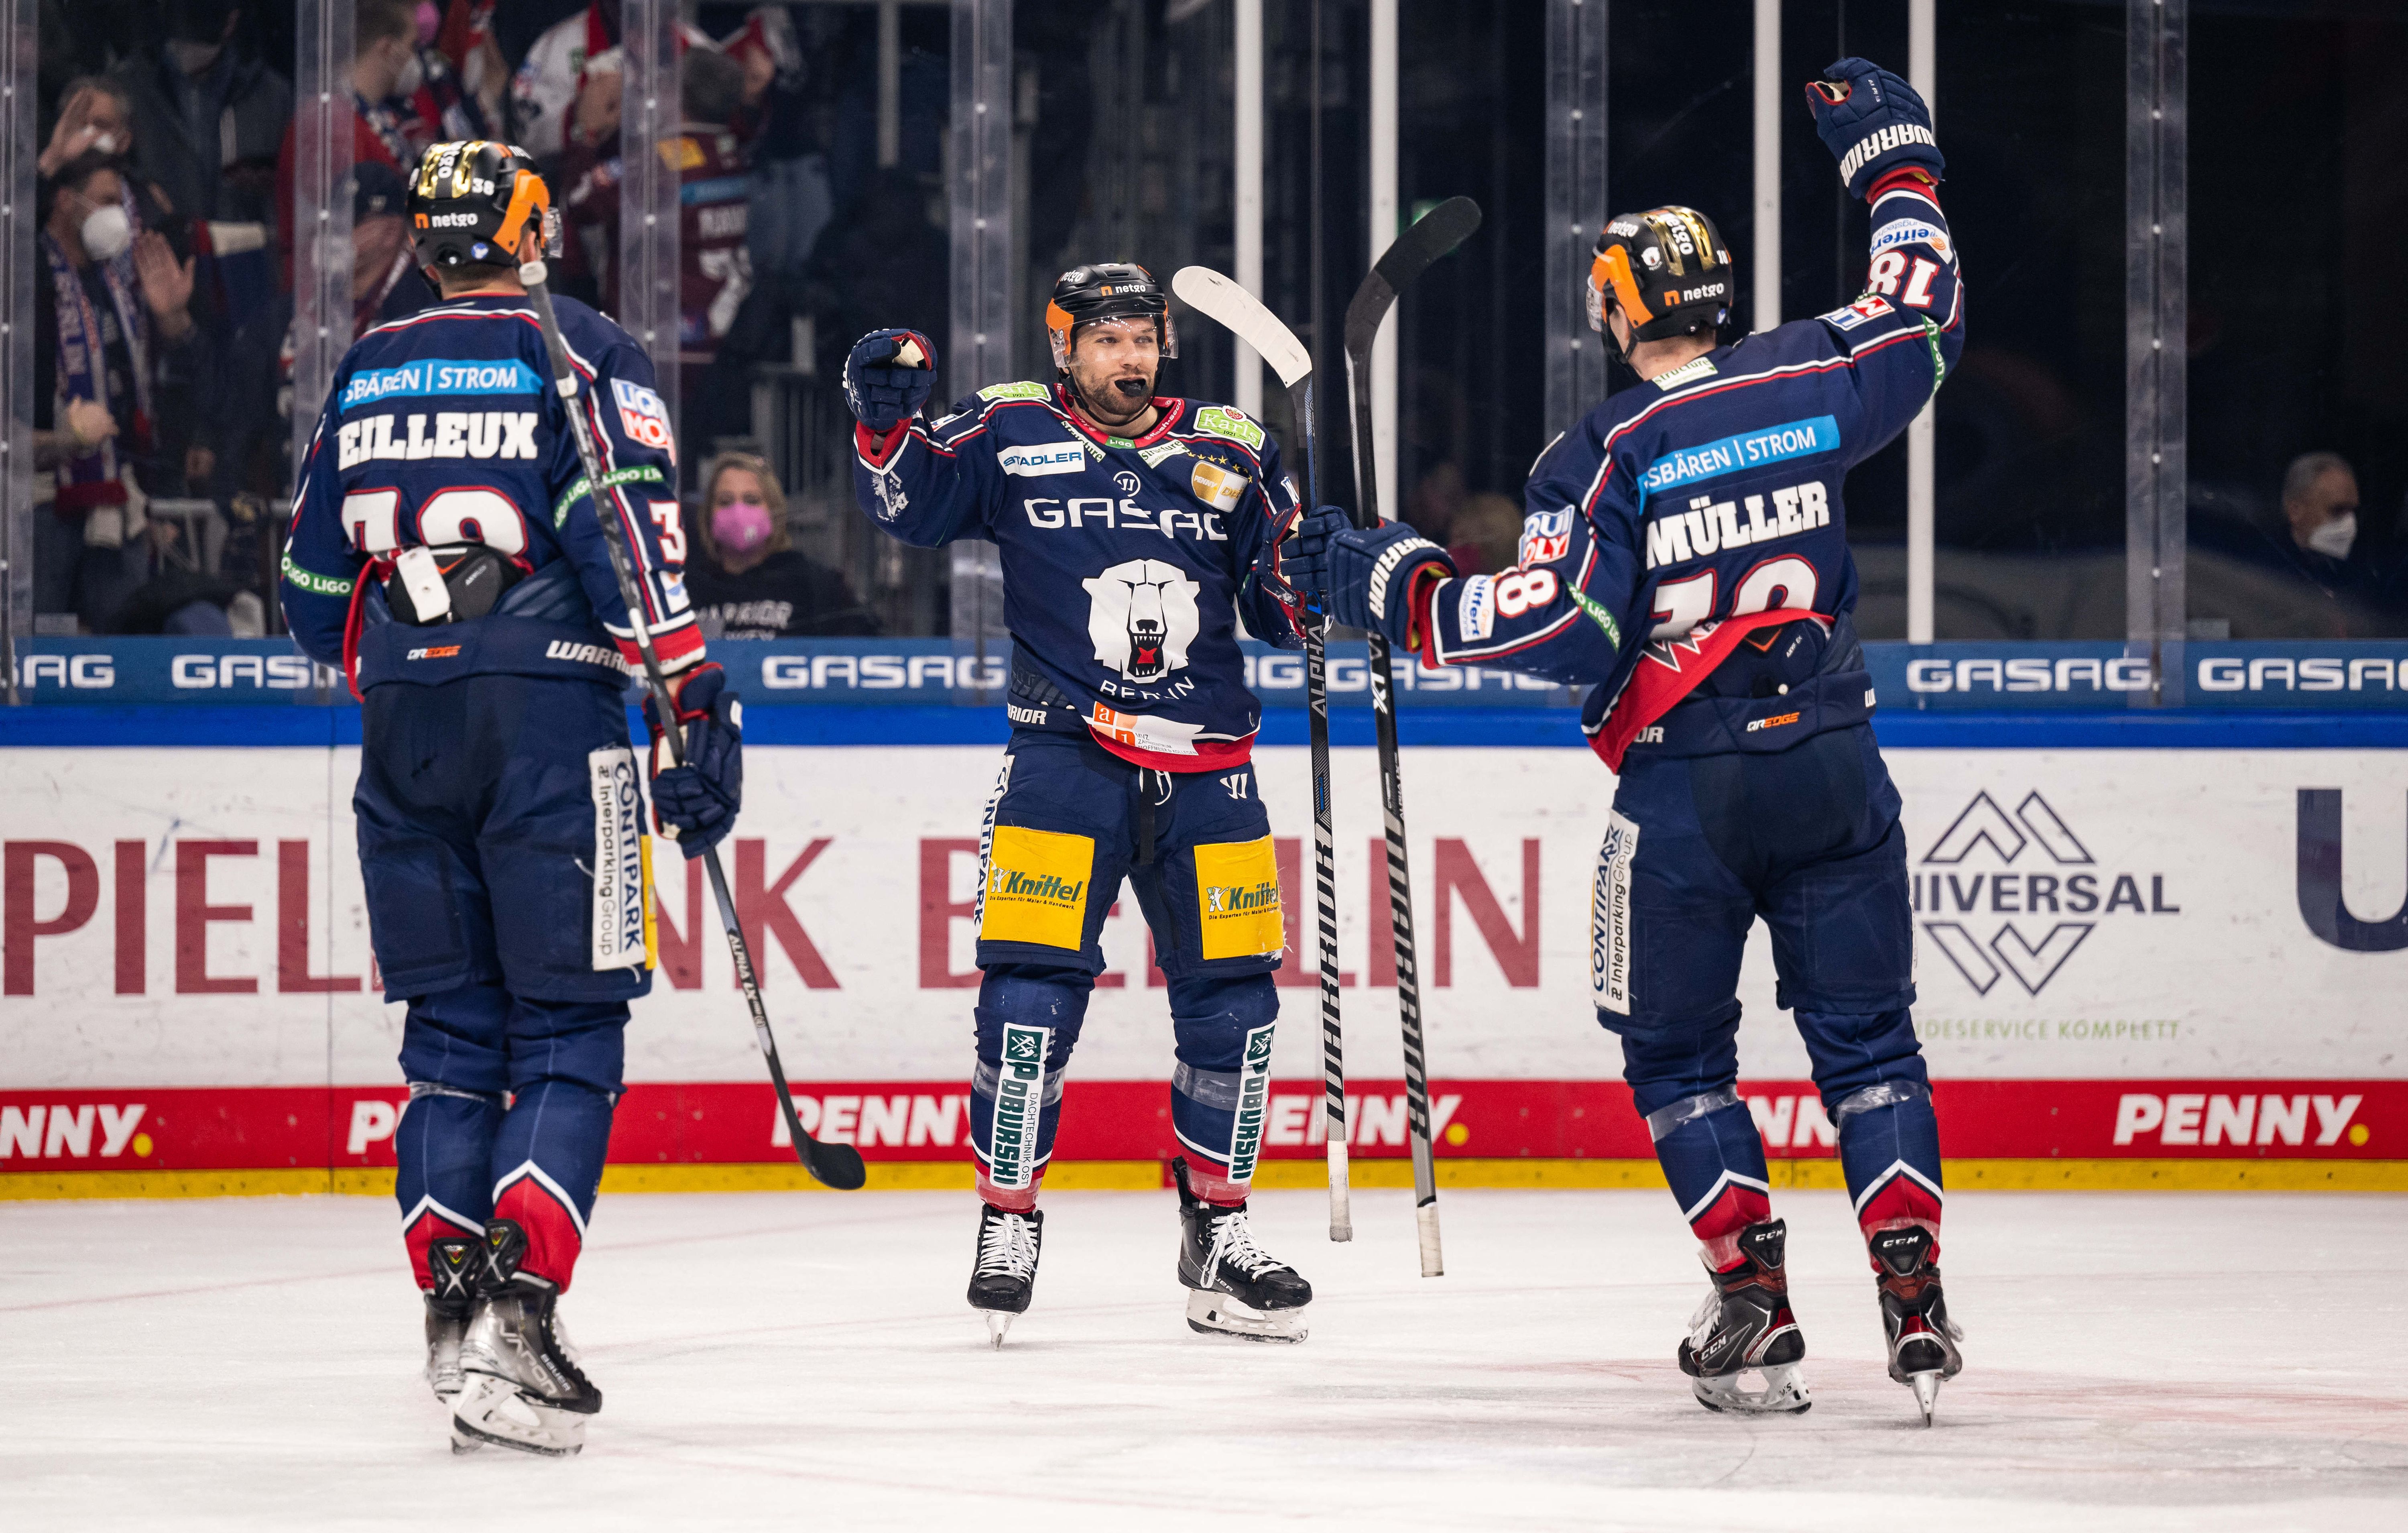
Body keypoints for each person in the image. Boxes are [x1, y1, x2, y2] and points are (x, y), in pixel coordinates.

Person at [1306, 57, 1966, 1423]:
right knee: (1873, 1045)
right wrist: (1897, 169)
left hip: (1693, 787)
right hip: (1838, 759)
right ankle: (1913, 1289)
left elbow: (1558, 627)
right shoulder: (1808, 374)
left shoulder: (1604, 447)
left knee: (1678, 1058)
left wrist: (1398, 586)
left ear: (1616, 310)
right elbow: (1925, 315)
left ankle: (1756, 1299)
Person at [277, 140, 740, 1456]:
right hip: (548, 718)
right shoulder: (575, 345)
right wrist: (694, 701)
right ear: (535, 233)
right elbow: (631, 542)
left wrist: (417, 647)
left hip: (403, 726)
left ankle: (450, 1304)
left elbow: (312, 594)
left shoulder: (365, 367)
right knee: (568, 1027)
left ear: (425, 243)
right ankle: (520, 1310)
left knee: (451, 1034)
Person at [842, 264, 1339, 1345]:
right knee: (1027, 997)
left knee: (1239, 1008)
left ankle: (1219, 1232)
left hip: (1212, 768)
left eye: (1144, 338)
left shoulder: (1234, 447)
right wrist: (885, 428)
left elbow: (1276, 605)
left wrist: (1315, 571)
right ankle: (1008, 1216)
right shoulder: (1011, 429)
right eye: (1107, 340)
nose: (1130, 357)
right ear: (1064, 348)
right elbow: (913, 511)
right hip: (1064, 761)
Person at [34, 152, 207, 631]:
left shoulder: (120, 284)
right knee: (35, 646)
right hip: (41, 498)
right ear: (67, 201)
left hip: (119, 497)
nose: (120, 216)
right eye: (109, 201)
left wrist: (174, 323)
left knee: (124, 646)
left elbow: (182, 394)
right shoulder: (25, 273)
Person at [273, 0, 422, 290]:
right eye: (413, 45)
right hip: (334, 303)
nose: (417, 60)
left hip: (375, 296)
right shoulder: (329, 125)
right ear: (388, 48)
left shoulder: (372, 118)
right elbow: (352, 233)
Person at [108, 0, 293, 227]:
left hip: (245, 251)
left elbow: (289, 191)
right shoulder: (128, 90)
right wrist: (140, 190)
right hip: (160, 248)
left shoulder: (270, 96)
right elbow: (106, 173)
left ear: (231, 20)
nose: (190, 30)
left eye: (203, 14)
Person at [683, 452, 879, 638]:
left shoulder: (814, 585)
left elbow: (867, 647)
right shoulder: (686, 590)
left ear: (774, 511)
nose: (738, 512)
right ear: (709, 514)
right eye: (725, 502)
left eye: (752, 501)